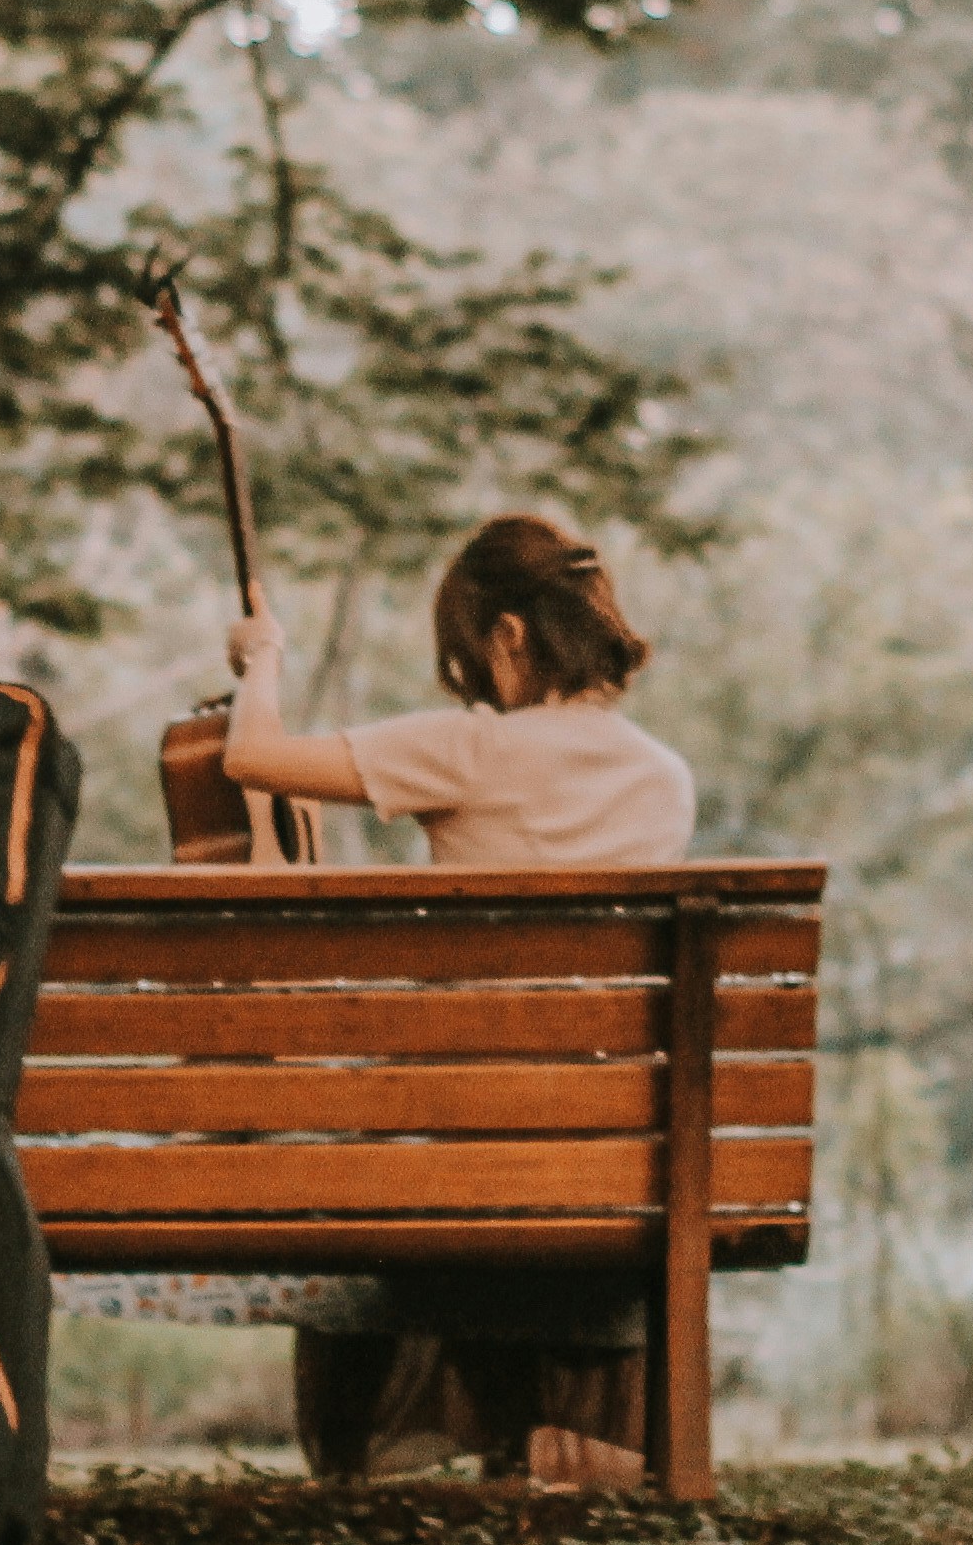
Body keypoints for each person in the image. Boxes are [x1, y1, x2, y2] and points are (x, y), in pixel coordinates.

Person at [216, 513, 694, 1483]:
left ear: (508, 637)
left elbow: (250, 758)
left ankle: (395, 1450)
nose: (472, 685)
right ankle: (533, 1444)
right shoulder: (664, 779)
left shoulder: (468, 751)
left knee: (370, 1146)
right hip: (610, 1145)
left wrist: (257, 659)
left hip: (464, 1134)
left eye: (469, 660)